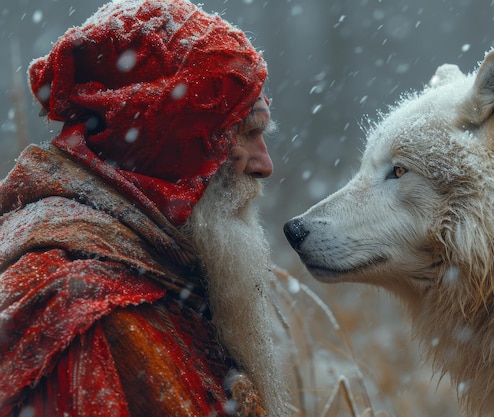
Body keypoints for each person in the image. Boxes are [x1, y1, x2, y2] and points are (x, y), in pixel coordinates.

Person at [0, 0, 288, 416]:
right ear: (172, 147)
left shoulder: (148, 273)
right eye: (244, 135)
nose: (264, 165)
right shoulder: (79, 317)